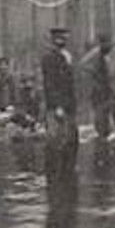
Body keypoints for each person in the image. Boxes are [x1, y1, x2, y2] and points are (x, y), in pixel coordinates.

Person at [40, 25, 79, 177]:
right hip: (58, 106)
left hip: (68, 105)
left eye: (64, 38)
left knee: (69, 138)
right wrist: (57, 106)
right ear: (53, 40)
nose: (62, 40)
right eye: (59, 38)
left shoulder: (67, 56)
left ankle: (67, 170)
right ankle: (55, 172)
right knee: (55, 140)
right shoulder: (50, 58)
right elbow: (50, 84)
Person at [77, 33, 115, 142]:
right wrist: (93, 74)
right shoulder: (95, 54)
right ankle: (103, 136)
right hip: (100, 91)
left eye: (107, 42)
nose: (105, 45)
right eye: (102, 43)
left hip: (114, 89)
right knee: (101, 116)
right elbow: (82, 65)